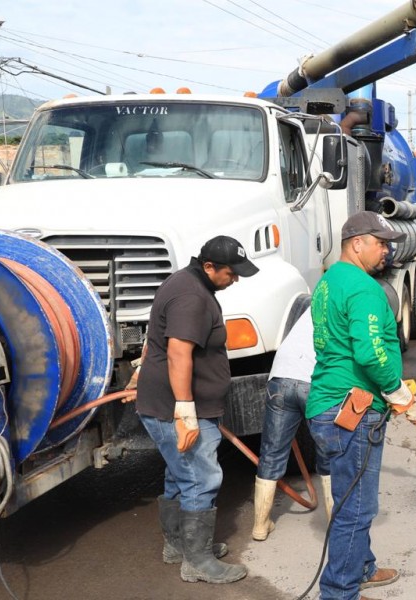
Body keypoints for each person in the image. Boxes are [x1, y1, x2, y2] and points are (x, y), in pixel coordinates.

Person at [307, 211, 416, 600]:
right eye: (381, 243)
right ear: (357, 243)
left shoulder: (330, 281)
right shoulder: (363, 288)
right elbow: (371, 353)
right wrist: (398, 392)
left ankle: (362, 566)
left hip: (329, 404)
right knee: (356, 508)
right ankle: (339, 591)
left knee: (351, 497)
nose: (387, 251)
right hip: (353, 410)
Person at [136, 235, 258, 585]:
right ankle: (198, 561)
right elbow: (177, 352)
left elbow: (154, 339)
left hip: (167, 402)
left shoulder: (186, 283)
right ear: (209, 267)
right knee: (201, 477)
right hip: (178, 406)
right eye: (231, 273)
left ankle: (179, 546)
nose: (234, 279)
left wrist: (141, 373)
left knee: (179, 474)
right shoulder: (192, 296)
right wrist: (185, 412)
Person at [252, 309, 332, 541]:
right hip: (313, 382)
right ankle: (335, 524)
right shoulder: (346, 303)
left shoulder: (315, 304)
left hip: (279, 379)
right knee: (327, 452)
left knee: (272, 452)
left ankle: (260, 525)